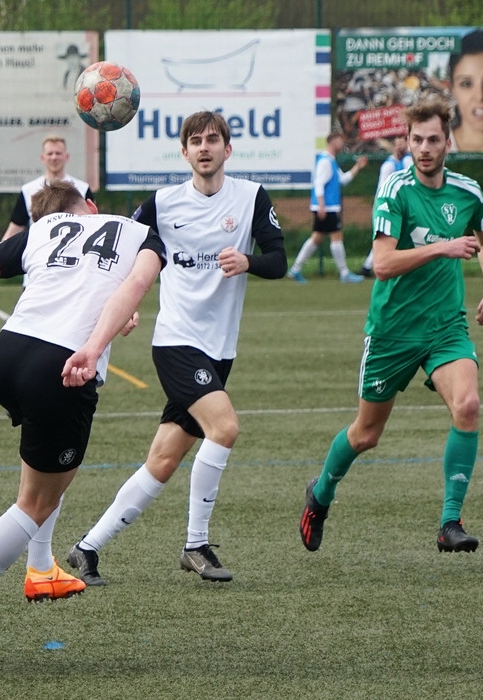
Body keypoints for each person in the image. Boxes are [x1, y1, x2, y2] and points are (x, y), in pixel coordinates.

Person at [0, 180, 165, 662]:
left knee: (45, 478)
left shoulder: (43, 229)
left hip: (8, 355)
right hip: (61, 366)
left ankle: (41, 568)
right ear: (92, 206)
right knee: (35, 503)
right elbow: (134, 286)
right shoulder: (140, 233)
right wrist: (93, 347)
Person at [65, 111, 286, 588]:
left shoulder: (251, 197)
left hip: (220, 350)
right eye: (196, 141)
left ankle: (86, 547)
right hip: (176, 342)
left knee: (162, 461)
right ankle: (195, 544)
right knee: (224, 428)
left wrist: (248, 260)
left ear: (228, 149)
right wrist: (122, 309)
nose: (205, 147)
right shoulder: (162, 204)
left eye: (213, 139)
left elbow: (279, 261)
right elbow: (122, 255)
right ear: (184, 152)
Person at [299, 94, 483, 555]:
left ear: (448, 143)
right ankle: (321, 494)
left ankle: (450, 522)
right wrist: (443, 246)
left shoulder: (467, 192)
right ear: (407, 142)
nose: (425, 148)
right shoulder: (395, 189)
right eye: (417, 140)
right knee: (366, 434)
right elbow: (384, 264)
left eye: (434, 140)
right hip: (392, 331)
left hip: (445, 328)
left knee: (468, 405)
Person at [0, 134, 93, 295]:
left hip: (74, 273)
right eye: (50, 153)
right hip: (37, 272)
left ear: (66, 157)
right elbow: (14, 229)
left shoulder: (82, 189)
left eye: (58, 153)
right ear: (43, 158)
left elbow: (94, 228)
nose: (54, 157)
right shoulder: (28, 190)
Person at [287, 131, 368, 284]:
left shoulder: (331, 161)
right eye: (340, 141)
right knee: (336, 236)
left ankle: (295, 269)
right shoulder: (325, 161)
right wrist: (322, 206)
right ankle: (344, 273)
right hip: (327, 207)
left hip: (327, 206)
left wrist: (357, 167)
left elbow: (343, 180)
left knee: (317, 238)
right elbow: (319, 183)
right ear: (333, 142)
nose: (342, 144)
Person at [360, 135, 413, 277]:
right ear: (394, 147)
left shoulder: (407, 160)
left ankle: (367, 267)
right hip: (390, 206)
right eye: (398, 144)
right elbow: (381, 188)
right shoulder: (389, 166)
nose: (400, 146)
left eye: (403, 143)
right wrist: (378, 207)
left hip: (403, 206)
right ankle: (370, 266)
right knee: (387, 237)